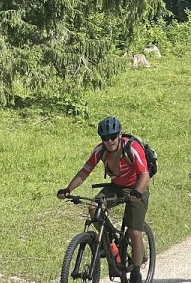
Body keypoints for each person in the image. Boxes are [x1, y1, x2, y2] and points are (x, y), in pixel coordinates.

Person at [57, 117, 151, 283]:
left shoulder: (132, 148)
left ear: (120, 134)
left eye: (113, 137)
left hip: (137, 186)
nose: (109, 141)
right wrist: (68, 189)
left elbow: (145, 174)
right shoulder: (100, 151)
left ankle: (136, 272)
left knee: (134, 231)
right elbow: (84, 172)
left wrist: (137, 193)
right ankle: (107, 242)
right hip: (115, 186)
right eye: (105, 139)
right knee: (94, 207)